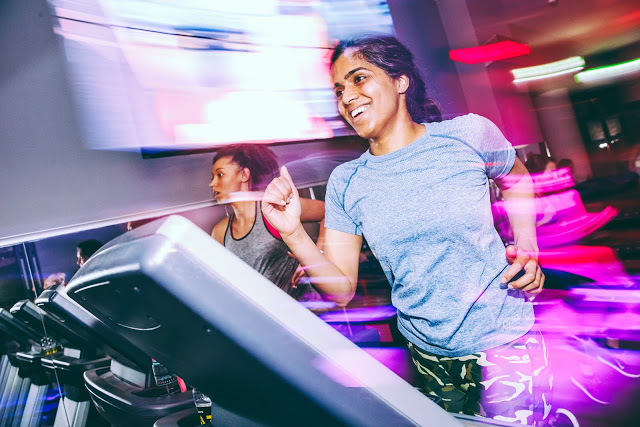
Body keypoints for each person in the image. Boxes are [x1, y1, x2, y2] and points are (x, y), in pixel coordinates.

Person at [261, 35, 550, 424]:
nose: (347, 97)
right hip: (426, 353)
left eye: (359, 79)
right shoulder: (348, 182)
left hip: (504, 340)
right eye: (339, 90)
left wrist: (527, 246)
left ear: (400, 81)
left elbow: (518, 180)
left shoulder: (467, 136)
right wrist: (293, 232)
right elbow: (342, 288)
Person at [209, 143, 326, 306]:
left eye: (220, 175)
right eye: (213, 177)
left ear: (244, 175)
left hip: (307, 314)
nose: (212, 183)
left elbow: (329, 212)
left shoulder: (272, 208)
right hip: (267, 320)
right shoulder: (220, 231)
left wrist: (315, 257)